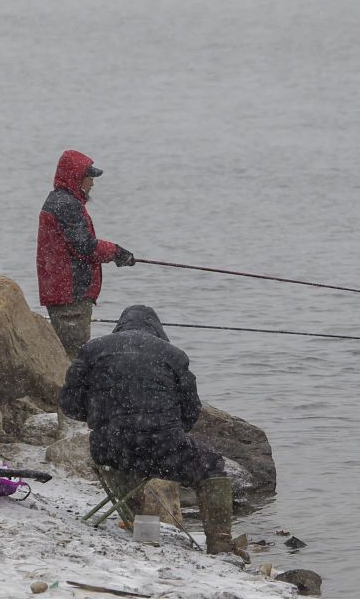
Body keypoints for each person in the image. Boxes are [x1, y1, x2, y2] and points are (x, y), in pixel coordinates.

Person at [59, 305, 248, 560]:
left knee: (124, 463)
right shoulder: (174, 355)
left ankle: (138, 519)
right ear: (157, 329)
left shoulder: (92, 349)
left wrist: (104, 420)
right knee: (211, 465)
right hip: (163, 448)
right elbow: (191, 411)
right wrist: (164, 430)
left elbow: (69, 404)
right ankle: (220, 544)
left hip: (110, 449)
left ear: (120, 326)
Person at [36, 150, 134, 358]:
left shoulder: (61, 201)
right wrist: (116, 252)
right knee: (75, 356)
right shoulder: (67, 205)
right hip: (70, 295)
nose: (92, 183)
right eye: (89, 177)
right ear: (77, 177)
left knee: (71, 354)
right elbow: (85, 246)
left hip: (64, 291)